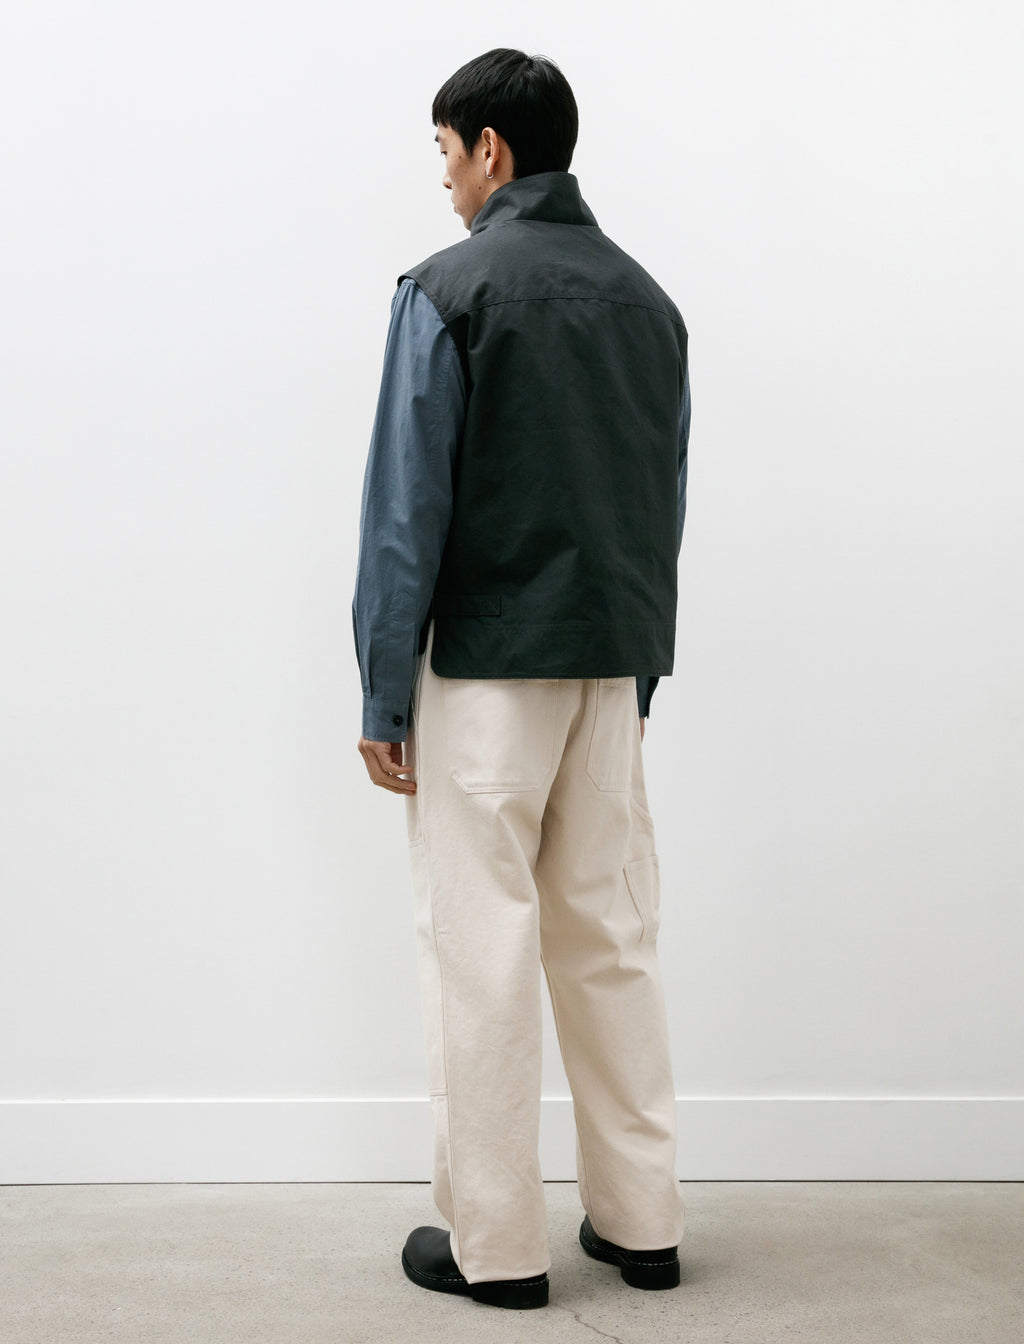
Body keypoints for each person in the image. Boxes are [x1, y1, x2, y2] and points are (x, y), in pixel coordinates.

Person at [353, 48, 690, 1311]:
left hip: (488, 671)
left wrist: (384, 689)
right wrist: (637, 675)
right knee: (611, 939)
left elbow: (405, 511)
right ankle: (642, 1225)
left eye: (446, 153)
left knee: (480, 949)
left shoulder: (447, 290)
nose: (443, 181)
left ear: (491, 148)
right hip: (607, 666)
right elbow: (662, 502)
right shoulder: (649, 303)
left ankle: (494, 1248)